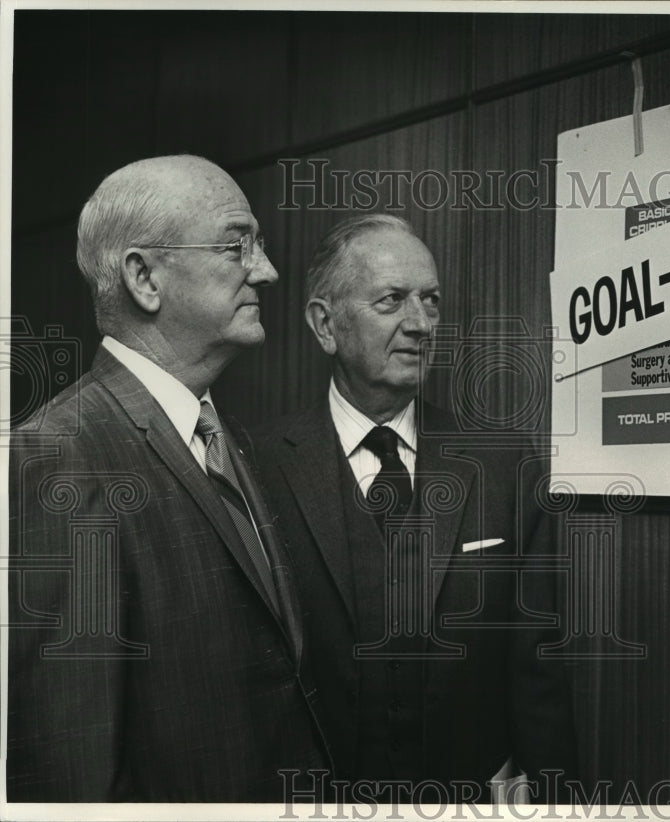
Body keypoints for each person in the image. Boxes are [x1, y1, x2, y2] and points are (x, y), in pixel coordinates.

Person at [6, 155, 333, 802]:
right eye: (237, 244)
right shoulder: (53, 458)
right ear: (144, 276)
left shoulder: (227, 436)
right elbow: (72, 766)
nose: (265, 270)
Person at [253, 214, 579, 803]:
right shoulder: (257, 465)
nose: (422, 323)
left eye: (431, 301)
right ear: (325, 324)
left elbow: (539, 669)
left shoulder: (504, 464)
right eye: (392, 301)